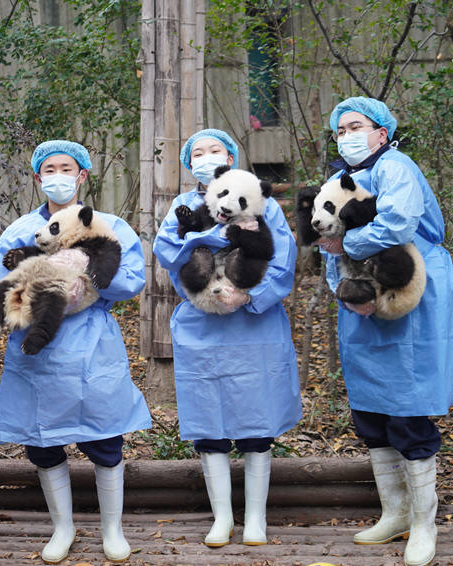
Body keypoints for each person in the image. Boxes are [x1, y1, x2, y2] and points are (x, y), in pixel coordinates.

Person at [0, 140, 150, 564]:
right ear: (38, 178)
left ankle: (111, 530)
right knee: (42, 443)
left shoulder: (107, 224)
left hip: (92, 346)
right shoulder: (21, 231)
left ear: (82, 176)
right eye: (49, 170)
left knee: (104, 439)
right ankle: (63, 528)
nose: (58, 176)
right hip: (37, 349)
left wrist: (88, 272)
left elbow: (133, 279)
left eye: (67, 168)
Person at [321, 97, 453, 566]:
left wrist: (349, 243)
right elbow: (325, 242)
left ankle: (425, 524)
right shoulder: (341, 179)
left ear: (381, 131)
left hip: (410, 292)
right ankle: (395, 513)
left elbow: (397, 222)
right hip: (362, 299)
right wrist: (343, 284)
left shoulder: (396, 167)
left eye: (355, 126)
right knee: (372, 415)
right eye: (340, 130)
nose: (347, 136)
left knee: (409, 412)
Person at [153, 129, 301, 548]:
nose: (205, 157)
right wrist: (206, 291)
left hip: (255, 325)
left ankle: (255, 518)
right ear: (188, 164)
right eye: (196, 153)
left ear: (232, 156)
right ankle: (222, 518)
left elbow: (284, 257)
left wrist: (248, 293)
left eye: (214, 150)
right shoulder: (183, 206)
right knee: (209, 427)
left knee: (258, 425)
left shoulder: (259, 197)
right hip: (204, 324)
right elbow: (168, 252)